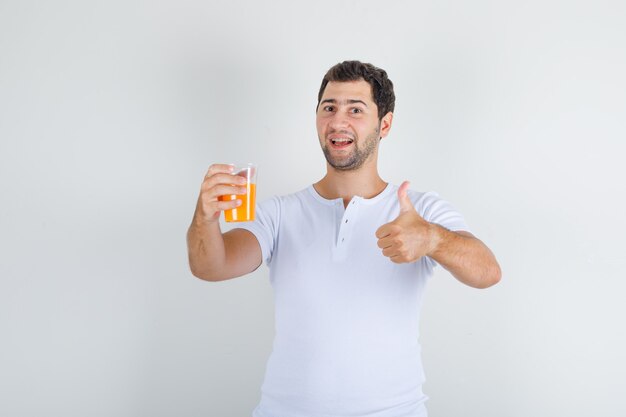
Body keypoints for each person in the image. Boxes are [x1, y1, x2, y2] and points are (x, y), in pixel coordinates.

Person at [187, 60, 501, 417]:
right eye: (329, 108)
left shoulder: (419, 208)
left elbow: (487, 272)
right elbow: (210, 266)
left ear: (385, 124)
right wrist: (205, 218)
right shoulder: (279, 213)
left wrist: (432, 239)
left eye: (356, 109)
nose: (338, 121)